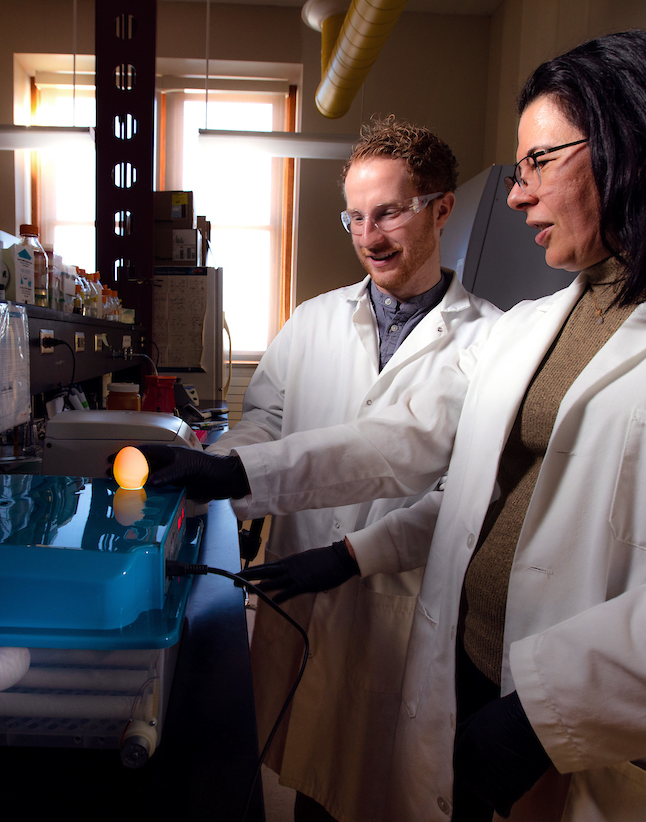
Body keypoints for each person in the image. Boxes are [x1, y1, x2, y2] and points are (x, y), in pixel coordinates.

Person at [143, 31, 646, 822]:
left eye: (537, 164)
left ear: (633, 145)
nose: (517, 195)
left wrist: (540, 717)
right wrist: (236, 473)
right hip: (463, 683)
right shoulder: (532, 325)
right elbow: (409, 438)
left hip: (606, 738)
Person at [208, 118, 501, 822]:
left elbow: (465, 496)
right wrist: (212, 472)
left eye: (390, 212)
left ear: (441, 207)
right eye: (356, 217)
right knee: (314, 772)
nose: (370, 236)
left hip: (401, 606)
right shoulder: (312, 321)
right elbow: (267, 426)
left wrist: (352, 557)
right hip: (301, 587)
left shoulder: (490, 340)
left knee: (386, 785)